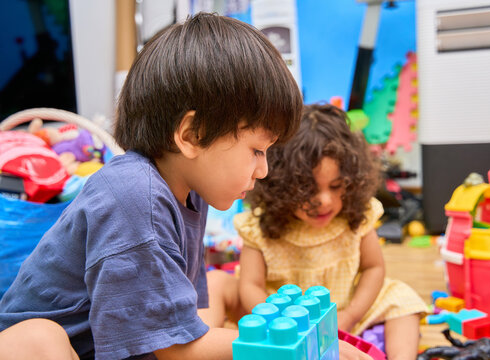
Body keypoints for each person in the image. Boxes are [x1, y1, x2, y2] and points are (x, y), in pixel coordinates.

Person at [0, 13, 304, 360]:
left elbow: (176, 325)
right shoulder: (133, 197)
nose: (263, 170)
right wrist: (285, 347)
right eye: (256, 150)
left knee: (219, 286)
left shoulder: (191, 191)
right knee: (40, 340)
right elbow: (174, 349)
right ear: (192, 135)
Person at [234, 103, 428, 360]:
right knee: (223, 288)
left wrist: (349, 316)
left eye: (336, 186)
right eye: (308, 190)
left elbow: (374, 269)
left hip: (348, 312)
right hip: (288, 330)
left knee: (403, 299)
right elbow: (250, 285)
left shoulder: (354, 217)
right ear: (279, 185)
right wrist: (280, 325)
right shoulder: (259, 227)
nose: (325, 200)